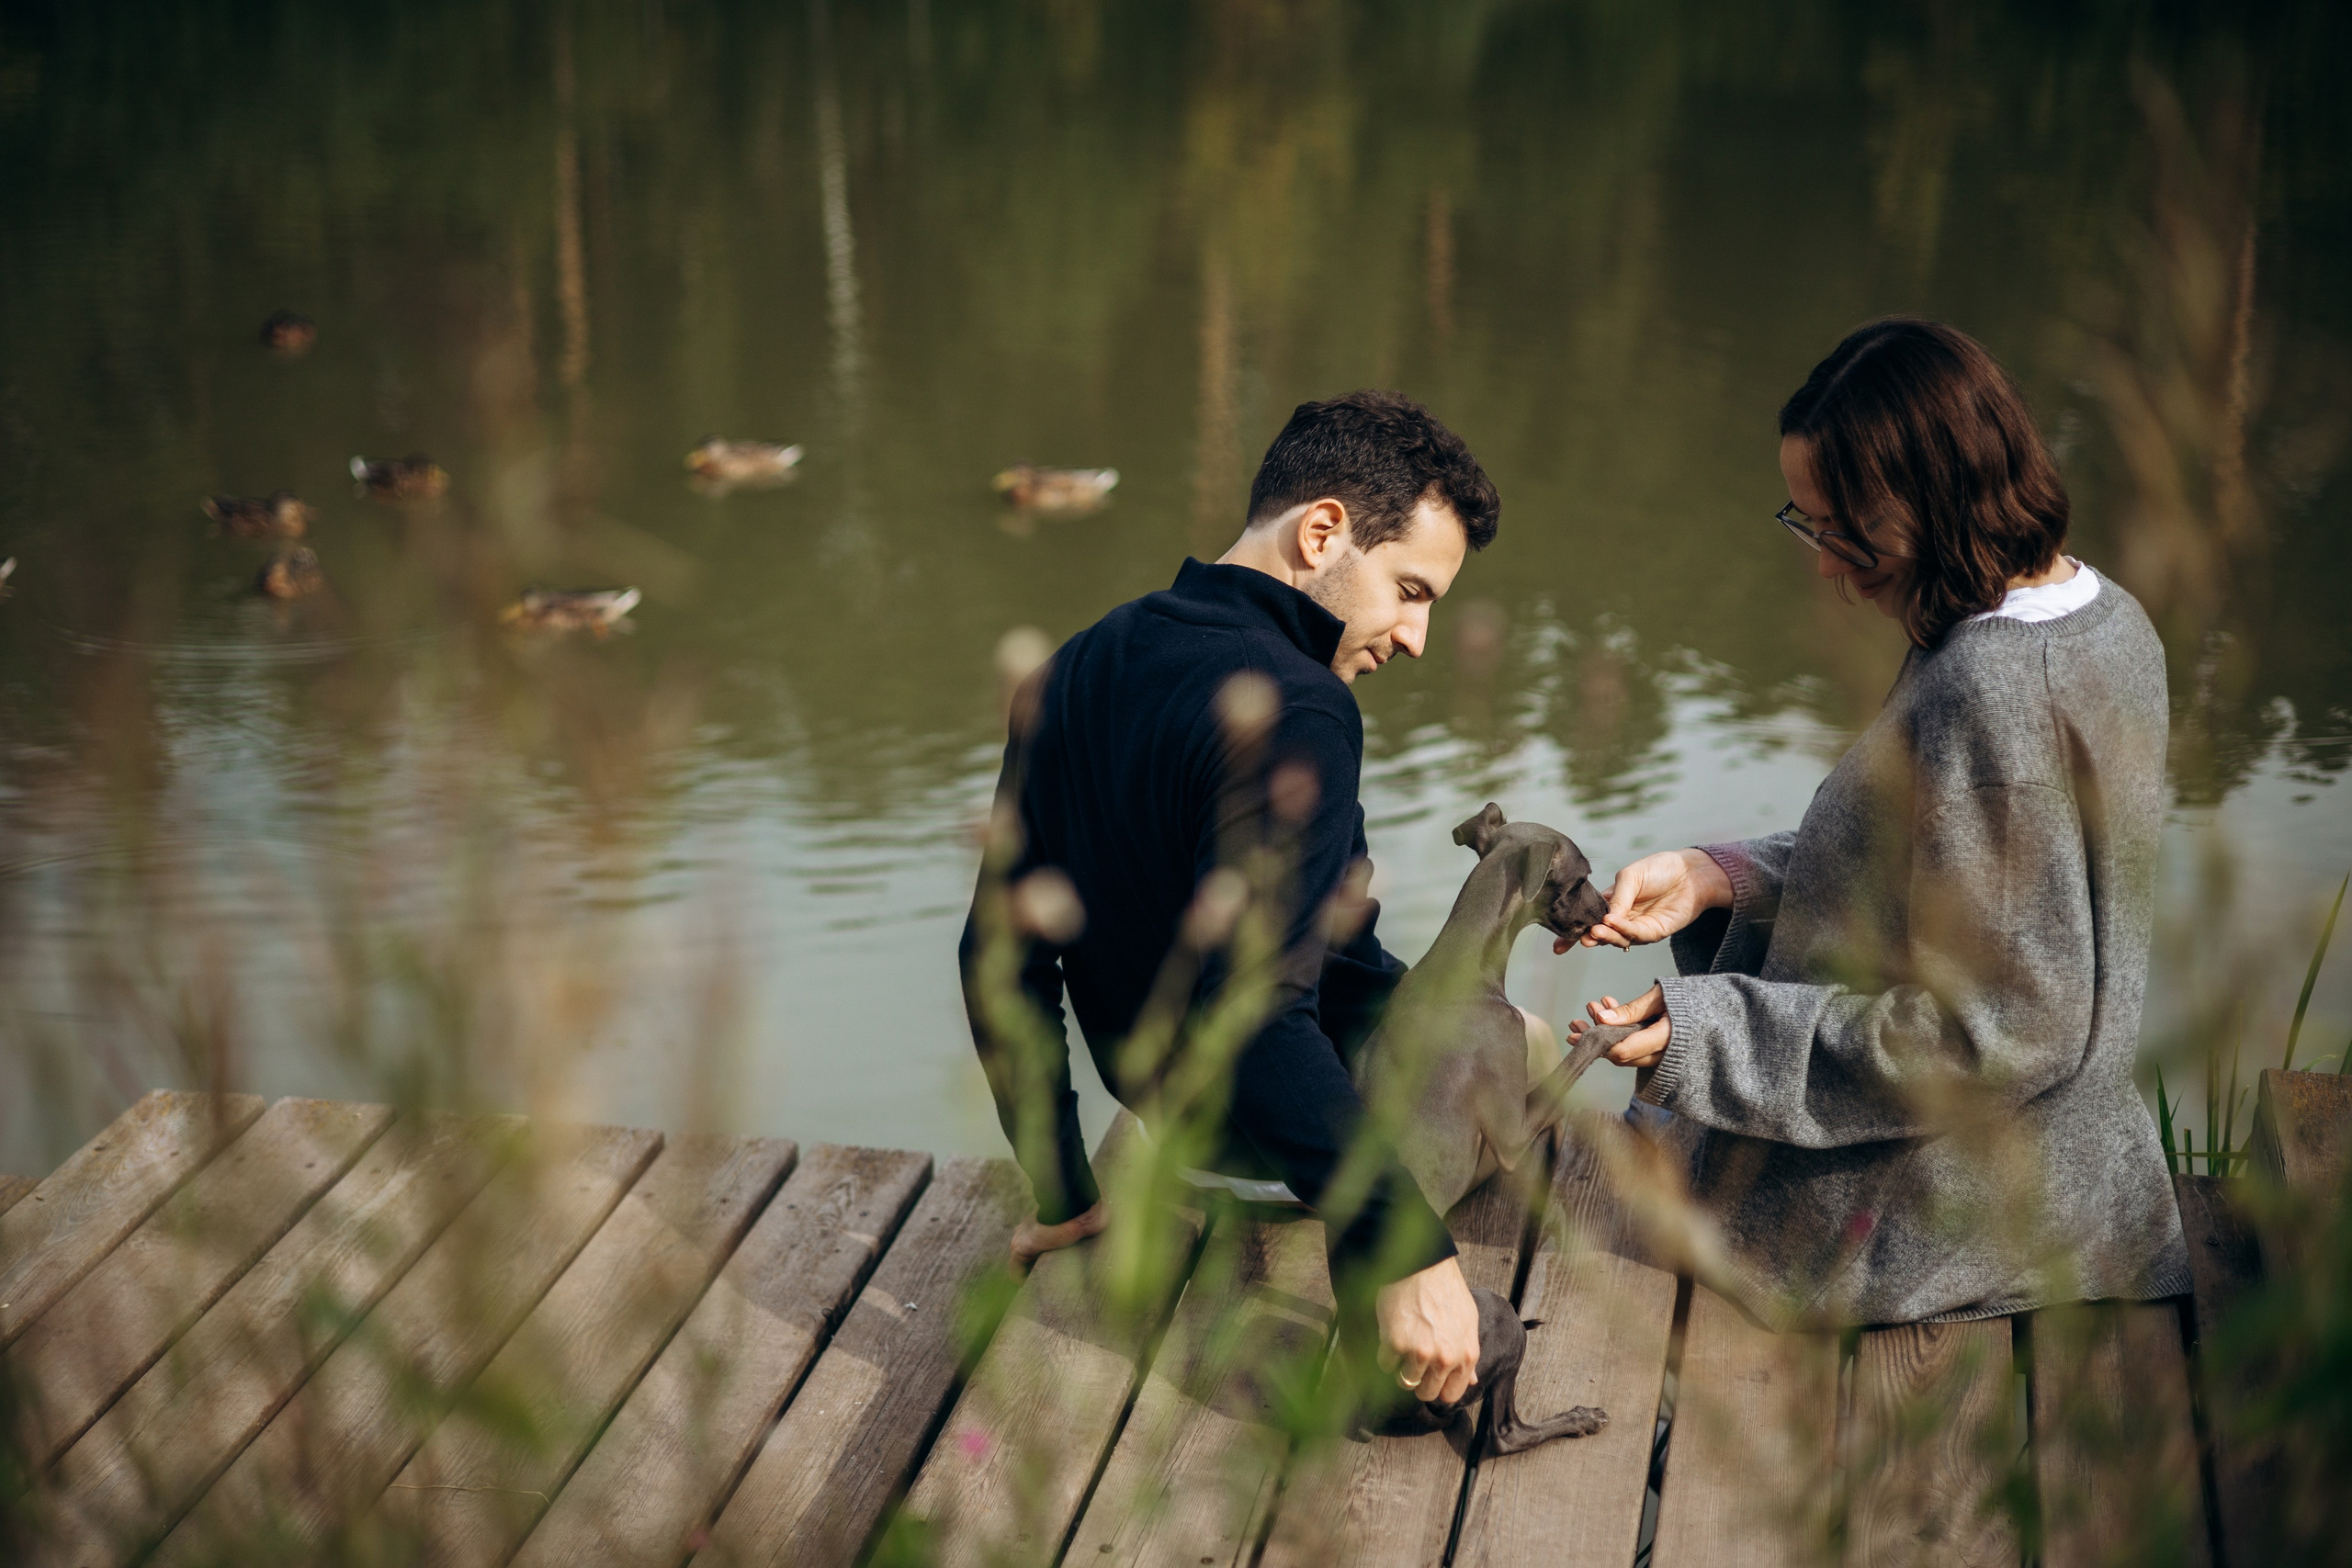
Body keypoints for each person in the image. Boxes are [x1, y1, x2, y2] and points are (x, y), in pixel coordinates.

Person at [1566, 318, 2190, 1325]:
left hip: (1948, 1217)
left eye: (1840, 530)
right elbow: (1946, 880)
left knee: (1609, 1190)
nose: (1823, 563)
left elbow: (2000, 1030)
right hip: (2073, 1172)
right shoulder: (2100, 617)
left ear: (1931, 502)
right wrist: (1724, 877)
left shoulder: (1993, 687)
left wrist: (1704, 1031)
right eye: (1805, 522)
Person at [960, 390, 1501, 1406]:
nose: (1417, 637)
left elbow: (998, 954)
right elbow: (1255, 1023)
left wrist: (1066, 1187)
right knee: (1521, 1046)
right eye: (1412, 591)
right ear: (1323, 530)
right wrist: (1407, 1251)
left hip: (1165, 1120)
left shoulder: (1080, 661)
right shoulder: (1302, 707)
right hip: (1268, 1148)